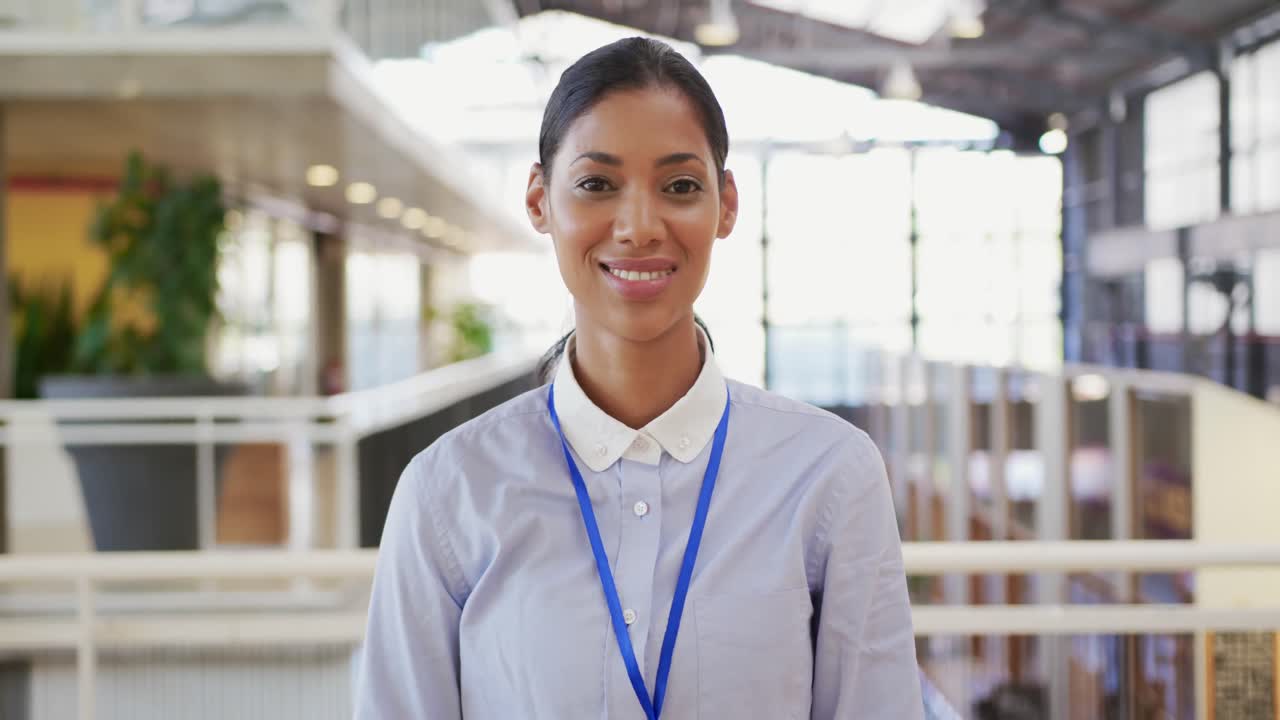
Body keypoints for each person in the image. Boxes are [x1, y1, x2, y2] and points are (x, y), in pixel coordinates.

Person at [355, 36, 923, 720]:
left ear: (727, 204)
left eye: (680, 186)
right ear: (539, 199)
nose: (638, 226)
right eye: (597, 184)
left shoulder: (828, 476)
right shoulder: (450, 491)